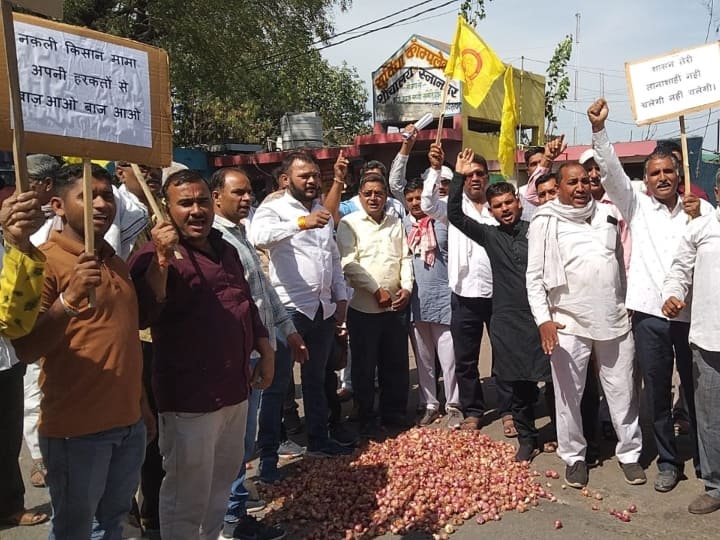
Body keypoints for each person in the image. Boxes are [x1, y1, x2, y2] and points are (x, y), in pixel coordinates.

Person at [13, 164, 155, 538]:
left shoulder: (115, 261)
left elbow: (123, 341)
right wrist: (68, 300)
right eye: (87, 196)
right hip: (78, 432)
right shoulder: (42, 262)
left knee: (113, 522)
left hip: (128, 425)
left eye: (107, 195)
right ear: (58, 206)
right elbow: (25, 348)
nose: (101, 204)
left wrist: (140, 406)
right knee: (75, 530)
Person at [130, 169, 274, 539]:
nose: (196, 211)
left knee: (220, 484)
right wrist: (162, 258)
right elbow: (144, 313)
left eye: (202, 201)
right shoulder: (153, 254)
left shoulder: (225, 247)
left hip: (234, 387)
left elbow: (243, 301)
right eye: (185, 204)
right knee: (186, 492)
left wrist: (264, 346)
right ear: (166, 209)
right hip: (190, 397)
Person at [589, 98, 713, 492]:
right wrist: (599, 130)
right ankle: (668, 462)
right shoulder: (636, 206)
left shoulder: (703, 210)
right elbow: (610, 174)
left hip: (694, 315)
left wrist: (701, 217)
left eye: (668, 172)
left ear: (680, 176)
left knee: (696, 393)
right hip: (649, 314)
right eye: (655, 173)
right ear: (646, 180)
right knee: (657, 390)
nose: (661, 178)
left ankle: (707, 459)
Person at [526, 159, 645, 489]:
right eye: (572, 182)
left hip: (614, 317)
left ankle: (630, 454)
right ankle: (574, 456)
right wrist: (544, 321)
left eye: (585, 181)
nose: (581, 188)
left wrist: (628, 301)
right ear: (560, 186)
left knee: (622, 390)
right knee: (568, 396)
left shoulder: (608, 214)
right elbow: (534, 278)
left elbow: (621, 264)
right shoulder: (544, 221)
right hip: (567, 322)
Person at [210, 166, 305, 540]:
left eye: (249, 192)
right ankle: (230, 519)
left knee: (241, 442)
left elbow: (264, 292)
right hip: (241, 354)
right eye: (238, 193)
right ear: (217, 196)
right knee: (233, 443)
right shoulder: (217, 241)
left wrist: (289, 331)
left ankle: (233, 512)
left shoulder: (241, 236)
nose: (247, 198)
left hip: (259, 348)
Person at [251, 151, 352, 484]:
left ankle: (319, 441)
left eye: (313, 175)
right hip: (288, 311)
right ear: (286, 179)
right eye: (303, 176)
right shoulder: (274, 208)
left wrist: (340, 297)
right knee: (276, 386)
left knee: (317, 381)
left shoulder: (321, 209)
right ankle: (268, 456)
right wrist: (299, 224)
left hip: (321, 310)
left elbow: (332, 257)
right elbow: (258, 237)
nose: (310, 181)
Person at [448, 148, 551, 461]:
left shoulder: (538, 229)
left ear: (519, 203)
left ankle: (563, 434)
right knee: (517, 383)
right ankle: (527, 439)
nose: (505, 209)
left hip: (540, 316)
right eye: (498, 206)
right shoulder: (489, 236)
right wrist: (457, 176)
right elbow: (454, 214)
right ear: (490, 211)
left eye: (509, 203)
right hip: (506, 319)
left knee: (553, 380)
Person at [420, 143, 514, 434]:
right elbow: (426, 204)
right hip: (463, 295)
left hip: (499, 296)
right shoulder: (453, 209)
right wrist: (437, 170)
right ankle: (473, 410)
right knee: (465, 358)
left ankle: (509, 410)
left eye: (480, 174)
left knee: (505, 355)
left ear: (488, 178)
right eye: (470, 174)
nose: (475, 178)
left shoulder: (498, 209)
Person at [336, 173, 414, 437]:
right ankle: (367, 417)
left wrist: (406, 288)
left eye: (378, 193)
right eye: (368, 193)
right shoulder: (349, 223)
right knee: (364, 368)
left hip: (395, 307)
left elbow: (404, 256)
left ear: (386, 196)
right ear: (360, 195)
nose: (373, 198)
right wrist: (375, 290)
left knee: (395, 364)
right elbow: (348, 264)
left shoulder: (395, 222)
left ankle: (393, 413)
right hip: (364, 309)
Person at [662, 171, 720, 514]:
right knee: (711, 417)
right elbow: (679, 270)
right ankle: (715, 485)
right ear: (717, 190)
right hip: (710, 338)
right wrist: (672, 294)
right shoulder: (701, 228)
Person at [0, 191, 48, 528]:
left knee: (6, 436)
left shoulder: (7, 241)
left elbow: (15, 309)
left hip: (5, 359)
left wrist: (18, 244)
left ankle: (8, 505)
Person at [404, 174, 461, 428]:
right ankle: (429, 403)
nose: (416, 203)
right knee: (424, 359)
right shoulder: (403, 225)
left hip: (442, 296)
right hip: (416, 300)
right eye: (411, 199)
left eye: (419, 198)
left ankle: (454, 404)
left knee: (449, 357)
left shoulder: (442, 220)